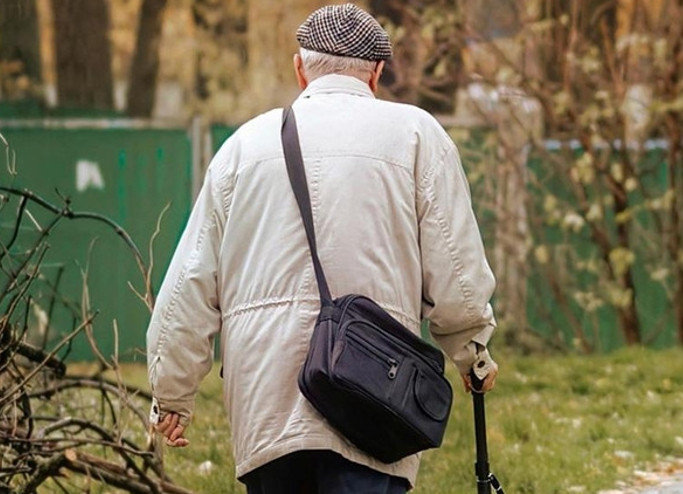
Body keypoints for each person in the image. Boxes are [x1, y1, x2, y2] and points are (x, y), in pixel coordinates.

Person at [146, 3, 498, 493]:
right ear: (376, 72)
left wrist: (172, 394)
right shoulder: (417, 136)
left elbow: (191, 282)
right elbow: (455, 268)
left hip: (267, 405)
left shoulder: (242, 148)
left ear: (300, 68)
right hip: (373, 395)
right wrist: (471, 350)